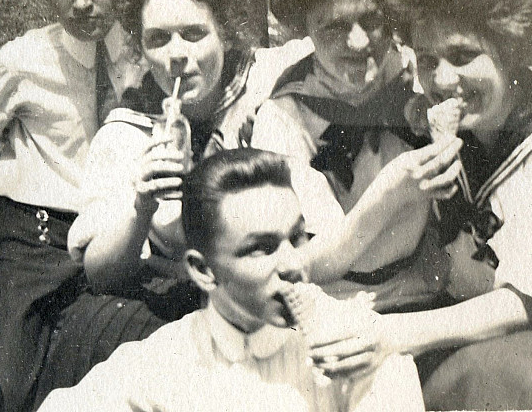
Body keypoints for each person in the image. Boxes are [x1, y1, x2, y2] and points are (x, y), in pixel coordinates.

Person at [31, 0, 313, 404]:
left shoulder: (267, 97)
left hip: (263, 301)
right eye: (158, 39)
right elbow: (101, 275)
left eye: (194, 33)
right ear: (141, 50)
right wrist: (142, 205)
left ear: (225, 30)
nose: (176, 54)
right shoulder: (128, 131)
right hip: (166, 307)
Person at [309, 0, 532, 410]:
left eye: (464, 55)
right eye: (428, 61)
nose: (444, 79)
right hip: (472, 325)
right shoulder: (453, 124)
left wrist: (393, 333)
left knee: (479, 377)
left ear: (510, 50)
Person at [37, 148, 425, 412]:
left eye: (297, 236)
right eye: (261, 248)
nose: (293, 263)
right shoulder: (165, 362)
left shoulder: (358, 344)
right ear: (203, 271)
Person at [0, 0, 144, 412]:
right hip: (24, 241)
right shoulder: (23, 58)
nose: (81, 2)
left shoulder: (145, 54)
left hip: (110, 240)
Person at [251, 0, 463, 310]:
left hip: (429, 287)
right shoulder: (284, 118)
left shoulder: (426, 77)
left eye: (372, 20)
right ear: (304, 28)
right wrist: (394, 188)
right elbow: (309, 263)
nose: (359, 42)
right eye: (334, 27)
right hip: (334, 304)